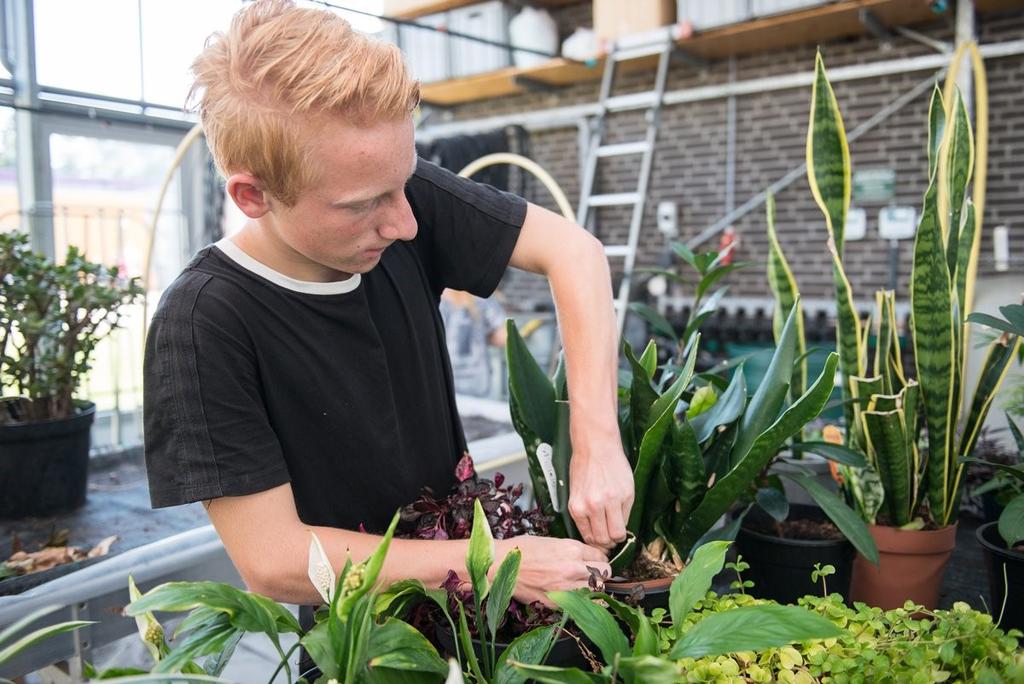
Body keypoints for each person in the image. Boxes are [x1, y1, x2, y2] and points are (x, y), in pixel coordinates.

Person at [142, 0, 632, 620]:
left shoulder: (395, 192)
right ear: (252, 195)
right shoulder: (204, 322)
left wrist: (596, 444)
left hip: (478, 607)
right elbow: (274, 558)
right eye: (362, 205)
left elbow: (576, 252)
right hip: (366, 640)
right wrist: (494, 563)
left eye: (405, 182)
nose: (404, 222)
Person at [439, 289, 507, 398]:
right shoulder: (482, 297)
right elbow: (503, 336)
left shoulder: (438, 298)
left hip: (446, 379)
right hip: (478, 381)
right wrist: (482, 336)